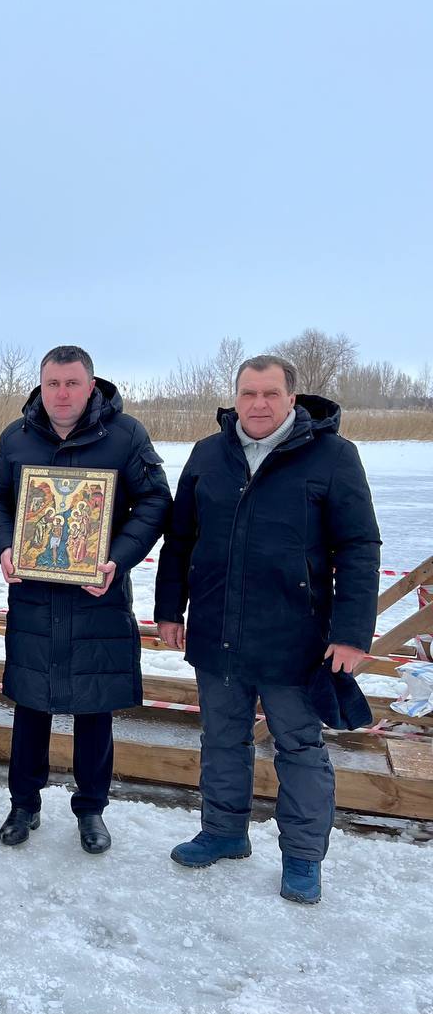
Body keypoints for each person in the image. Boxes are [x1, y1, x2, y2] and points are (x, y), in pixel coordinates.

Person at [154, 355, 381, 904]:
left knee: (300, 747)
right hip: (218, 628)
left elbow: (358, 547)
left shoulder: (332, 456)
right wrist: (169, 609)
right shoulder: (210, 454)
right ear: (235, 398)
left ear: (292, 399)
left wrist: (351, 634)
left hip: (295, 636)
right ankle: (224, 831)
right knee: (222, 739)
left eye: (270, 394)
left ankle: (303, 857)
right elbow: (180, 538)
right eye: (248, 394)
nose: (258, 405)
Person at [0, 346, 171, 854]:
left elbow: (155, 501)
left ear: (91, 386)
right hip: (36, 598)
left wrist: (117, 558)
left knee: (95, 709)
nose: (61, 394)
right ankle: (24, 804)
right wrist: (5, 546)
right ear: (40, 387)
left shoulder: (125, 436)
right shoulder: (17, 438)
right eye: (52, 384)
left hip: (97, 596)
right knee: (30, 704)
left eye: (72, 383)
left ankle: (91, 809)